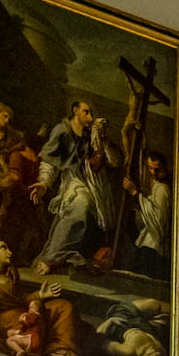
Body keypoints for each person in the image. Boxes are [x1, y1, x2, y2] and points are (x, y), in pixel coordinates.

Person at [0, 236, 97, 356]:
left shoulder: (10, 272)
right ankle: (61, 354)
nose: (9, 252)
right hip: (5, 322)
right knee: (36, 326)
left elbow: (21, 299)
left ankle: (63, 353)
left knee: (64, 306)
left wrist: (40, 295)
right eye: (3, 247)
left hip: (23, 312)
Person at [30, 100, 123, 274]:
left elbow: (115, 162)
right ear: (75, 111)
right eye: (86, 112)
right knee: (80, 205)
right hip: (74, 182)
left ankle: (71, 262)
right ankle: (51, 258)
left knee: (93, 224)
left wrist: (105, 141)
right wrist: (44, 183)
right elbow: (50, 162)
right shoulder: (62, 131)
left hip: (97, 188)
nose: (90, 117)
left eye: (91, 113)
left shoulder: (92, 135)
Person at [123, 149, 172, 277]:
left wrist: (134, 194)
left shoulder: (163, 189)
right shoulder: (156, 184)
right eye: (150, 168)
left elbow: (158, 220)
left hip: (154, 245)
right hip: (148, 241)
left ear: (165, 168)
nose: (153, 173)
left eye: (157, 169)